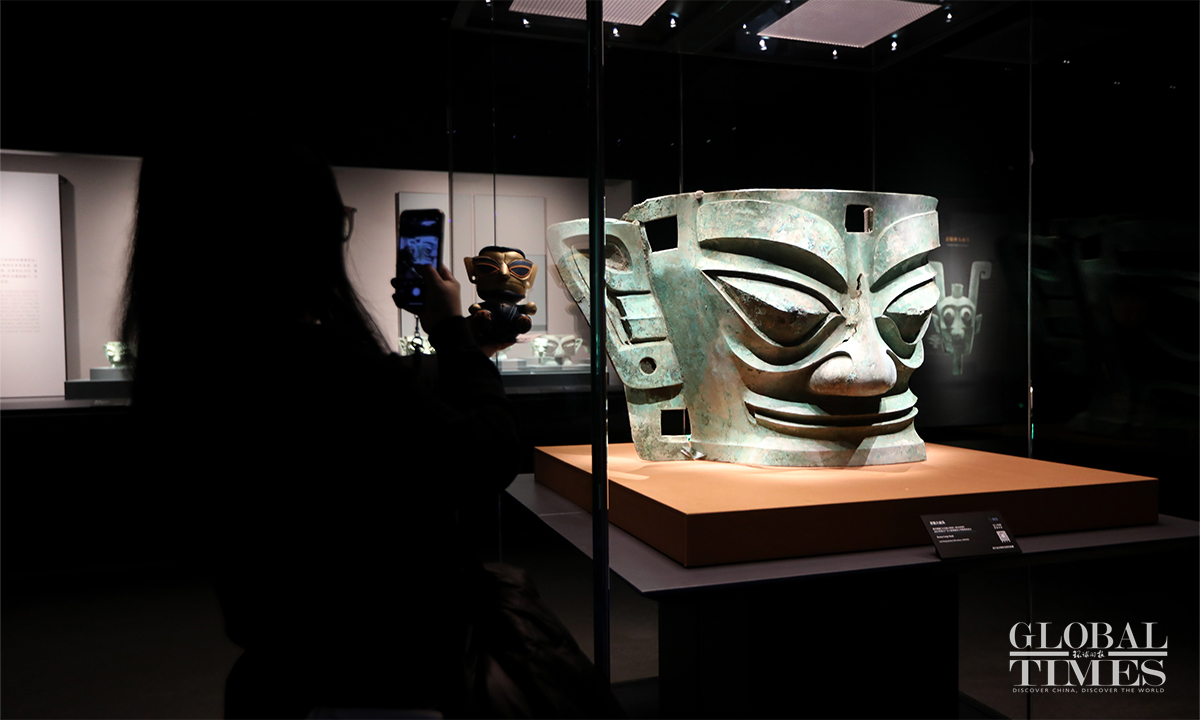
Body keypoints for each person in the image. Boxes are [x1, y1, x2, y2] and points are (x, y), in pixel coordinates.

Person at [120, 130, 617, 718]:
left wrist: (465, 351)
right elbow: (484, 453)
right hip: (389, 674)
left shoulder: (197, 368)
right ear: (291, 235)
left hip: (285, 668)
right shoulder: (320, 365)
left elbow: (383, 424)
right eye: (335, 222)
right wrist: (453, 335)